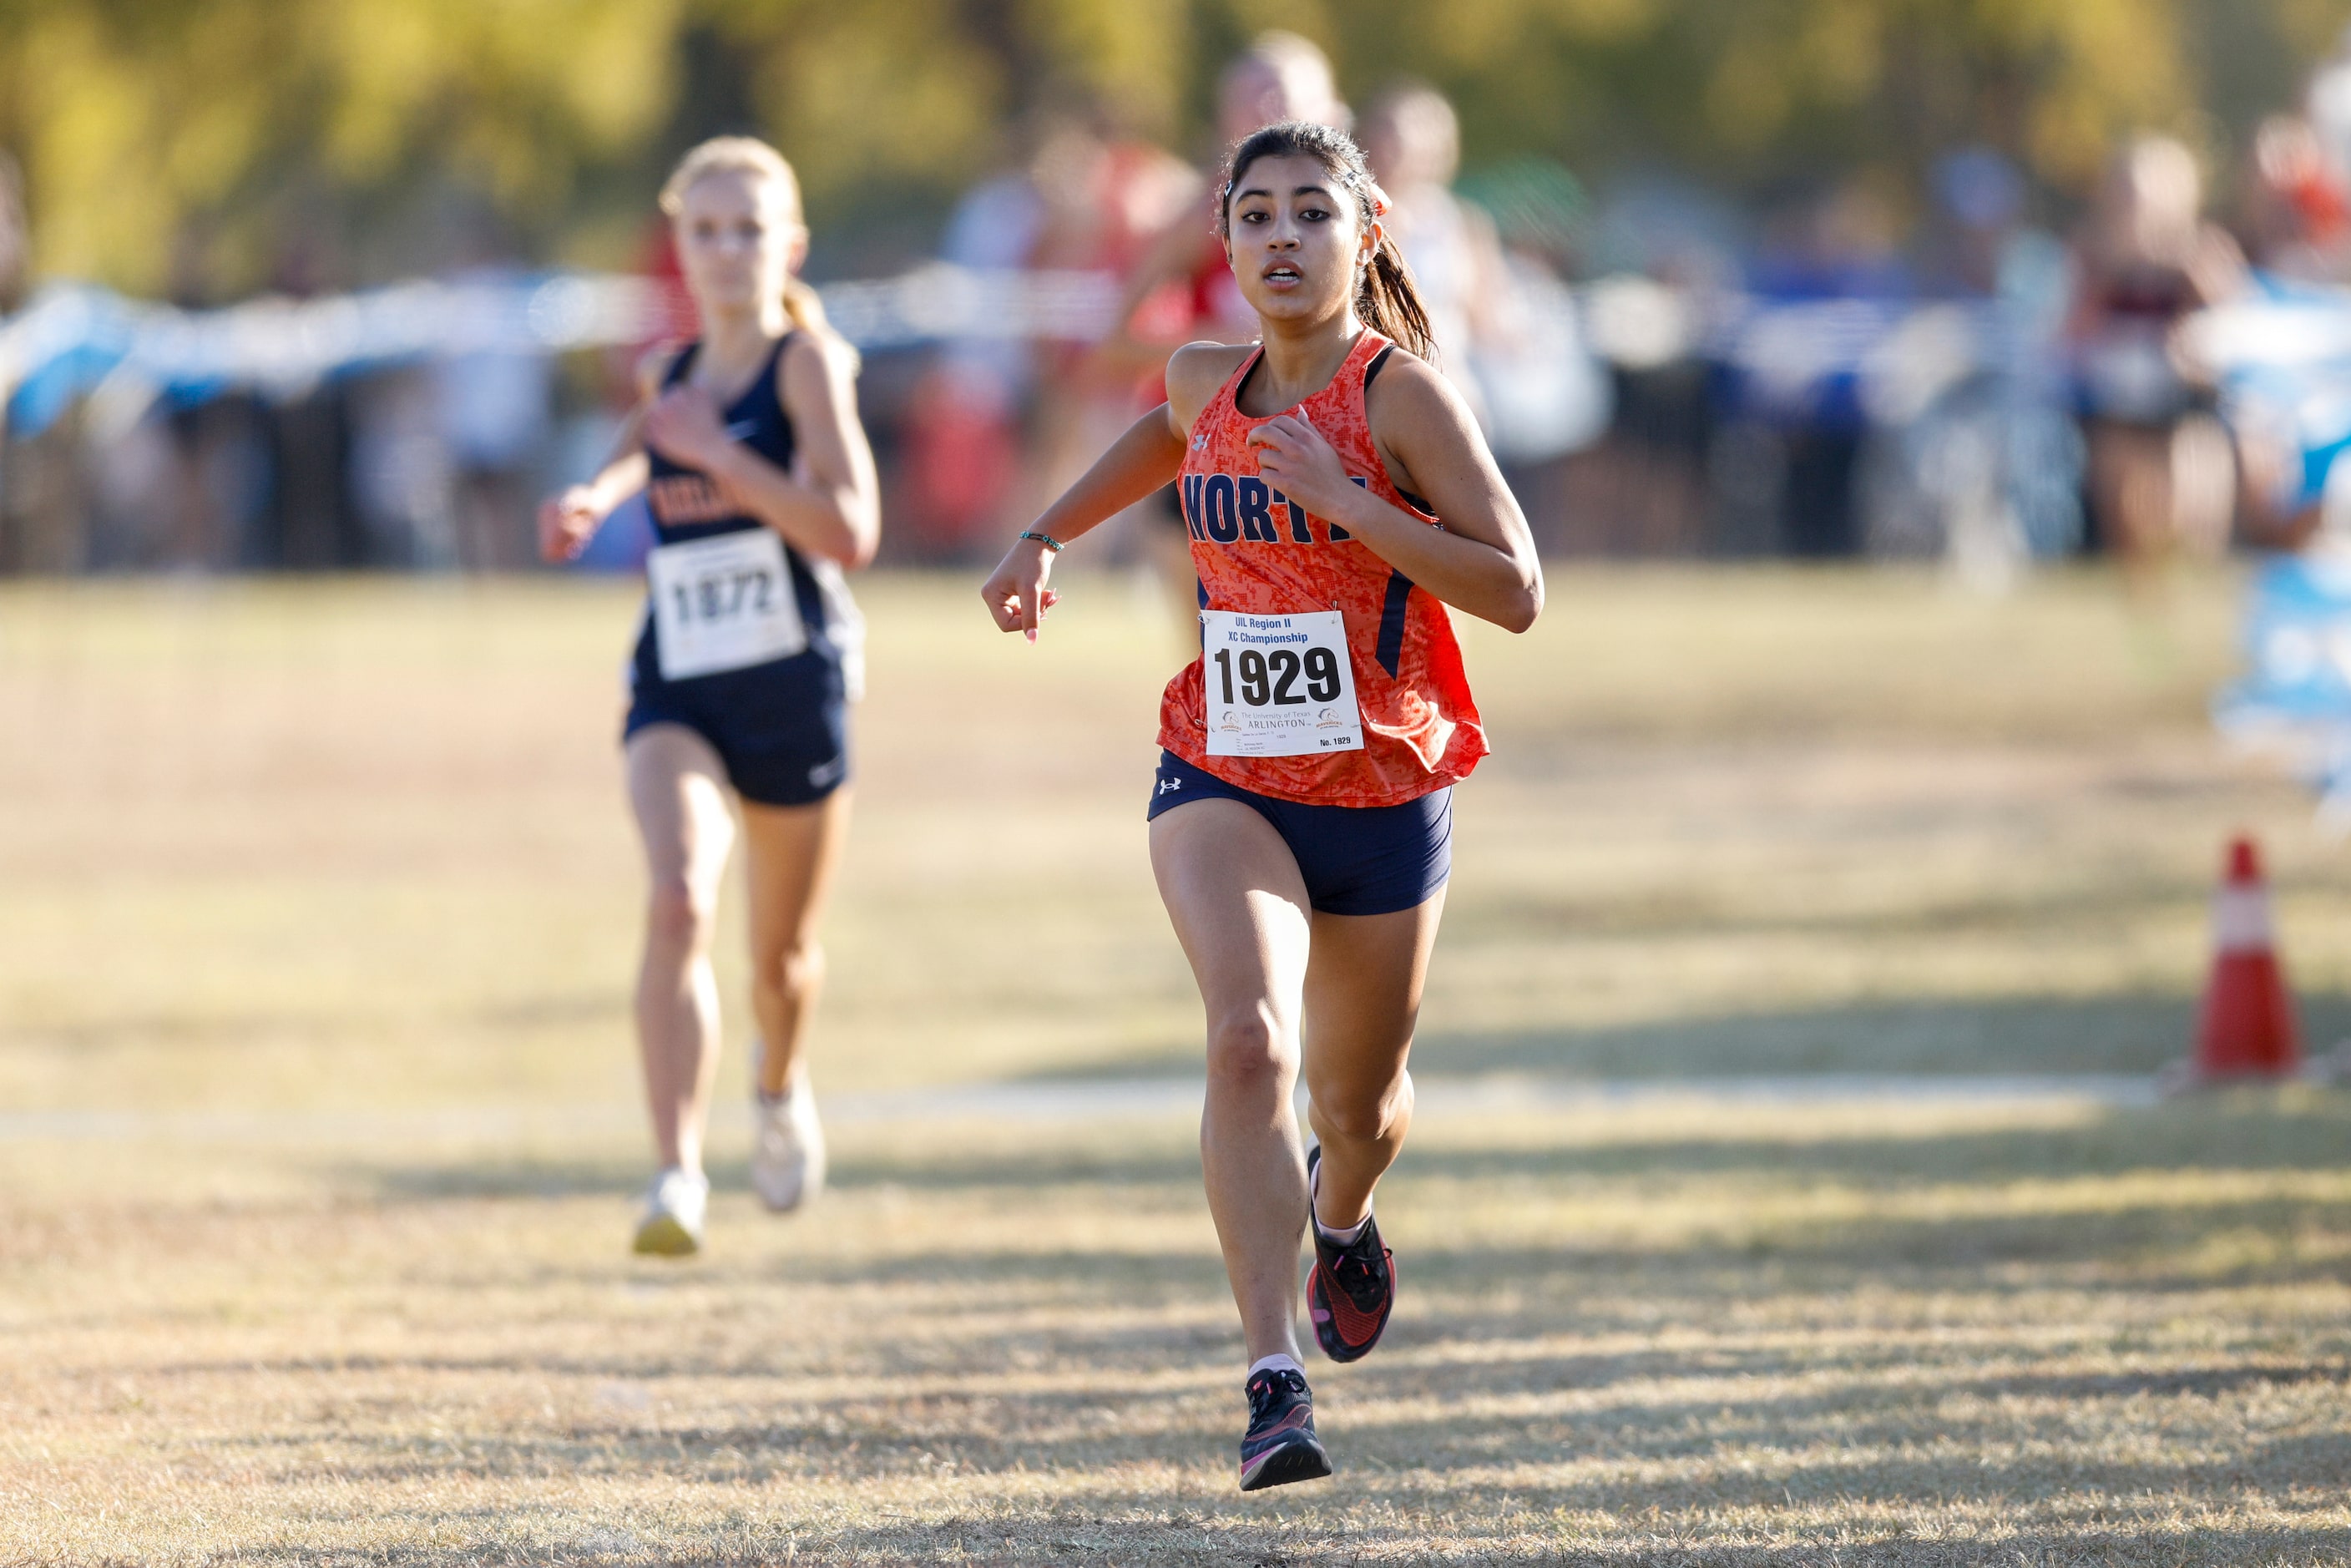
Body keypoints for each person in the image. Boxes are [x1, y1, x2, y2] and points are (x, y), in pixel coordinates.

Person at [980, 120, 1542, 1490]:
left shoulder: (1399, 397)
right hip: (1223, 769)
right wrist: (1047, 534)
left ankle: (1342, 1215)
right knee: (1247, 1042)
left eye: (1310, 213)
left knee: (1358, 1108)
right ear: (1223, 240)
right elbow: (1159, 436)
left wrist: (1353, 504)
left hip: (1383, 786)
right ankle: (1271, 1372)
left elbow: (1516, 585)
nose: (1282, 238)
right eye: (1257, 216)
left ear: (1365, 235)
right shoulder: (1201, 382)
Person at [539, 137, 879, 1257]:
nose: (729, 251)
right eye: (706, 230)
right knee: (679, 896)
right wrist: (593, 496)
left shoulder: (807, 366)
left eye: (751, 229)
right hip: (679, 676)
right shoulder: (668, 372)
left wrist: (727, 464)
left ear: (790, 244)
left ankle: (778, 1087)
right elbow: (650, 444)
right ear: (678, 245)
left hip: (792, 683)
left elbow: (852, 530)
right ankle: (674, 1173)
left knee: (780, 962)